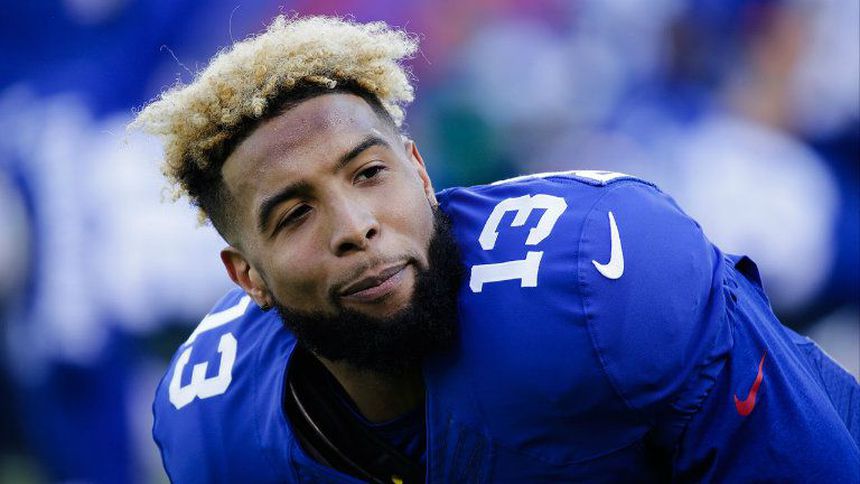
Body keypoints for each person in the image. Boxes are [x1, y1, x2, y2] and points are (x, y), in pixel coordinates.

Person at [133, 15, 860, 483]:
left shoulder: (600, 276)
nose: (355, 226)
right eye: (295, 215)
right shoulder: (213, 428)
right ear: (247, 276)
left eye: (369, 174)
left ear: (421, 174)